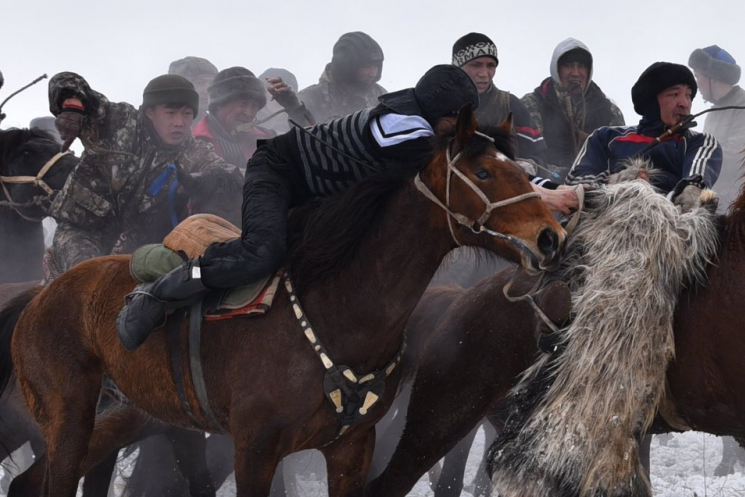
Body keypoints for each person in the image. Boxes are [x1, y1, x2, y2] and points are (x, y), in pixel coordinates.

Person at [118, 65, 567, 349]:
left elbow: (493, 162)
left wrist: (550, 187)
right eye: (456, 121)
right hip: (278, 174)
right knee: (262, 252)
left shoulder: (427, 127)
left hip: (325, 194)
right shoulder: (404, 130)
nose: (458, 130)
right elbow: (471, 168)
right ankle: (163, 291)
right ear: (440, 115)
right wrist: (543, 195)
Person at [46, 73, 243, 278]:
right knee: (92, 279)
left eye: (186, 114)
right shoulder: (117, 120)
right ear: (150, 112)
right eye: (171, 113)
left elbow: (231, 175)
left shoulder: (197, 152)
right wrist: (72, 108)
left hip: (139, 243)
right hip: (82, 230)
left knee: (178, 282)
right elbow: (66, 80)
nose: (179, 122)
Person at [568, 61, 721, 194]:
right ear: (651, 102)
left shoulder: (699, 142)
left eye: (688, 95)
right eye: (674, 94)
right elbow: (575, 183)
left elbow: (693, 184)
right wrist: (615, 180)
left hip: (670, 221)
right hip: (605, 218)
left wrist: (685, 189)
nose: (685, 103)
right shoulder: (605, 137)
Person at [522, 38, 626, 176]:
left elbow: (621, 159)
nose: (575, 73)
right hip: (547, 186)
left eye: (581, 66)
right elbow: (528, 156)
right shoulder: (532, 103)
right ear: (556, 69)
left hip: (598, 188)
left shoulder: (609, 111)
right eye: (568, 65)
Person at [686, 45, 745, 205]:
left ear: (712, 77)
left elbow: (739, 158)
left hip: (742, 202)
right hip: (716, 198)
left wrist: (693, 170)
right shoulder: (713, 113)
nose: (696, 85)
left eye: (697, 76)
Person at [451, 33, 548, 162]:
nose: (484, 74)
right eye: (476, 65)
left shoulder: (510, 105)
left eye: (490, 65)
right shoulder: (440, 105)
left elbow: (540, 155)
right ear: (458, 67)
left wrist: (530, 165)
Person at [193, 67, 274, 169]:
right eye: (243, 103)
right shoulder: (191, 142)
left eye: (254, 106)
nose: (249, 113)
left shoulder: (267, 139)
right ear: (219, 103)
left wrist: (294, 109)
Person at [299, 31, 387, 122]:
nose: (373, 73)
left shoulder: (380, 98)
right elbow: (284, 131)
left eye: (375, 66)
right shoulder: (311, 98)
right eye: (366, 66)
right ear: (346, 66)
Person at [255, 67, 305, 135]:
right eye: (276, 92)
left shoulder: (293, 123)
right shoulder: (247, 120)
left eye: (287, 95)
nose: (283, 100)